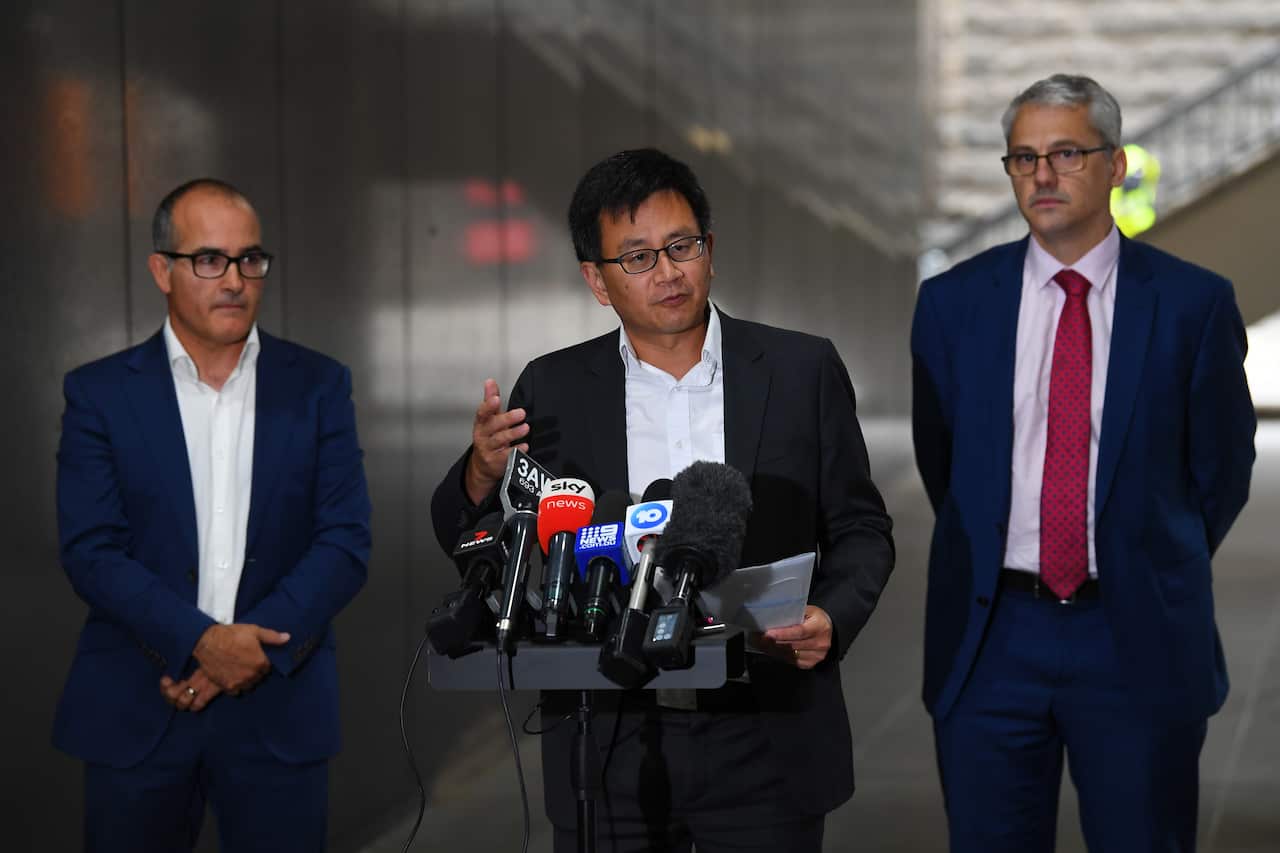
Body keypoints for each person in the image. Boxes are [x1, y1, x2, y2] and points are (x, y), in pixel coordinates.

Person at [431, 148, 895, 852]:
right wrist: (479, 470)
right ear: (596, 279)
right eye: (638, 257)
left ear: (709, 249)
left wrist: (833, 612)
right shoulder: (554, 390)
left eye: (682, 246)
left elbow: (861, 527)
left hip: (766, 729)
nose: (668, 271)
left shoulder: (802, 370)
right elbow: (477, 532)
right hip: (607, 726)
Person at [912, 74, 1255, 851]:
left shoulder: (1193, 304)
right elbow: (947, 466)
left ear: (1117, 164)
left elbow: (1223, 468)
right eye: (1023, 157)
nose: (1042, 174)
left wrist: (1153, 554)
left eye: (1065, 152)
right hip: (992, 636)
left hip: (1136, 635)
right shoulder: (951, 304)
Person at [54, 178, 372, 852]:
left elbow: (344, 541)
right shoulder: (101, 394)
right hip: (140, 704)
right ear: (161, 270)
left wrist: (249, 651)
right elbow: (91, 549)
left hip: (278, 710)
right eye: (209, 259)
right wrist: (201, 640)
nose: (234, 279)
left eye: (249, 258)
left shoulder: (319, 385)